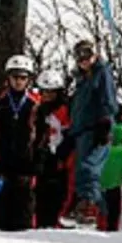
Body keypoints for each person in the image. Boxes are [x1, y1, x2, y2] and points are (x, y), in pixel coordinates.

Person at [67, 39, 118, 226]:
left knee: (90, 167)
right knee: (81, 170)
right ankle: (87, 207)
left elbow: (108, 96)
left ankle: (92, 207)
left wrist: (105, 121)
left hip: (98, 126)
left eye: (87, 54)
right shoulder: (81, 79)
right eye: (79, 56)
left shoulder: (101, 72)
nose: (83, 60)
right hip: (82, 129)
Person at [0, 54, 39, 231]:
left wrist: (37, 161)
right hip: (3, 164)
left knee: (24, 213)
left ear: (29, 80)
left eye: (23, 77)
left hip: (26, 165)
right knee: (2, 214)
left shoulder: (35, 104)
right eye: (15, 77)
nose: (18, 81)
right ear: (8, 78)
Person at [33, 73, 74, 228]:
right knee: (41, 195)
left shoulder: (65, 110)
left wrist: (61, 155)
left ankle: (56, 222)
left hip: (60, 158)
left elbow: (70, 134)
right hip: (42, 158)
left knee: (57, 194)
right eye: (45, 92)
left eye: (52, 92)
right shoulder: (38, 110)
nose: (48, 95)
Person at [98, 105, 122, 232]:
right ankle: (111, 228)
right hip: (115, 184)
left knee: (104, 208)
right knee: (114, 208)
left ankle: (103, 226)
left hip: (102, 183)